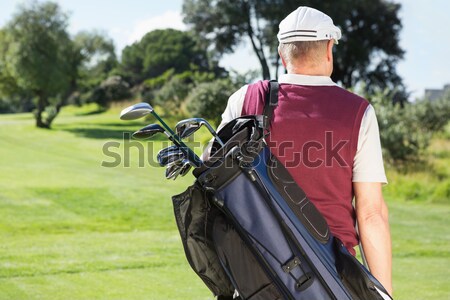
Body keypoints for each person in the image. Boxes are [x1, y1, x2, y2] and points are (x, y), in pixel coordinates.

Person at [216, 6, 393, 296]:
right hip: (331, 278)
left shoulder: (245, 100)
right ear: (328, 50)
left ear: (281, 53)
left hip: (255, 274)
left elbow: (216, 184)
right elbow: (371, 213)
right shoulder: (358, 111)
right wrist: (383, 292)